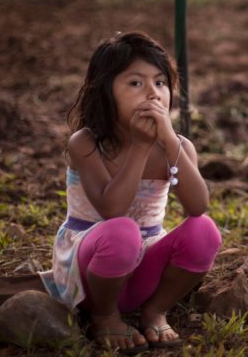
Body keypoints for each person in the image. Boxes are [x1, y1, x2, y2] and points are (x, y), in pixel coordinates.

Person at [39, 31, 222, 353]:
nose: (152, 94)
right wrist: (140, 146)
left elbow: (198, 205)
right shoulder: (86, 143)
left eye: (160, 83)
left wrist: (169, 143)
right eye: (135, 83)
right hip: (90, 271)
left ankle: (155, 309)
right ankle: (105, 315)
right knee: (122, 231)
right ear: (106, 91)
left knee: (204, 230)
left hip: (142, 271)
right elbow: (112, 211)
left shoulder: (177, 147)